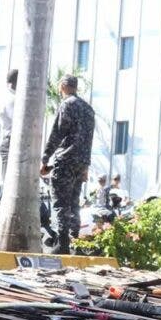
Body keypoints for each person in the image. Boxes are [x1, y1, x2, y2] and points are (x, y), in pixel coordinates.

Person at [41, 75, 95, 254]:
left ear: (63, 86)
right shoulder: (88, 109)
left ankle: (63, 244)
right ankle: (75, 242)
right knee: (74, 202)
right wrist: (85, 165)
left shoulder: (67, 104)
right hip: (81, 163)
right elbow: (89, 140)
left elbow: (57, 132)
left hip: (65, 159)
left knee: (60, 202)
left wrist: (45, 158)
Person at [0, 69, 18, 178]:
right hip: (10, 140)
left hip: (11, 140)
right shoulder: (12, 99)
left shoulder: (10, 96)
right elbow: (18, 121)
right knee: (8, 181)